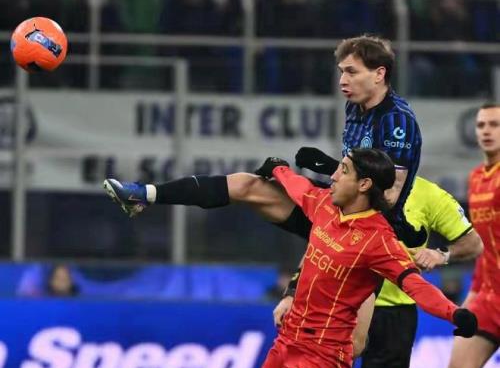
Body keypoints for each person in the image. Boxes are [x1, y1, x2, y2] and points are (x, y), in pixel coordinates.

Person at [103, 35, 426, 248]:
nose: (343, 80)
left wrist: (317, 175)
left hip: (368, 233)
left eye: (352, 72)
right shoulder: (355, 107)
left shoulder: (396, 121)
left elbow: (387, 195)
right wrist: (321, 174)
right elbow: (357, 176)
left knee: (341, 324)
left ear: (379, 74)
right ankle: (144, 195)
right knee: (247, 184)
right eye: (341, 71)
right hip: (337, 213)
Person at [250, 149, 476, 368]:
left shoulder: (379, 241)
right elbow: (301, 188)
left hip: (322, 354)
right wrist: (278, 169)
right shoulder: (324, 206)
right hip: (287, 339)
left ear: (364, 184)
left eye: (343, 170)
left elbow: (415, 285)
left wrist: (454, 313)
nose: (333, 175)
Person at [446, 103, 500, 368]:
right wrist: (475, 292)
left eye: (495, 125)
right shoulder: (477, 177)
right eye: (481, 125)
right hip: (490, 295)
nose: (487, 131)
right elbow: (483, 246)